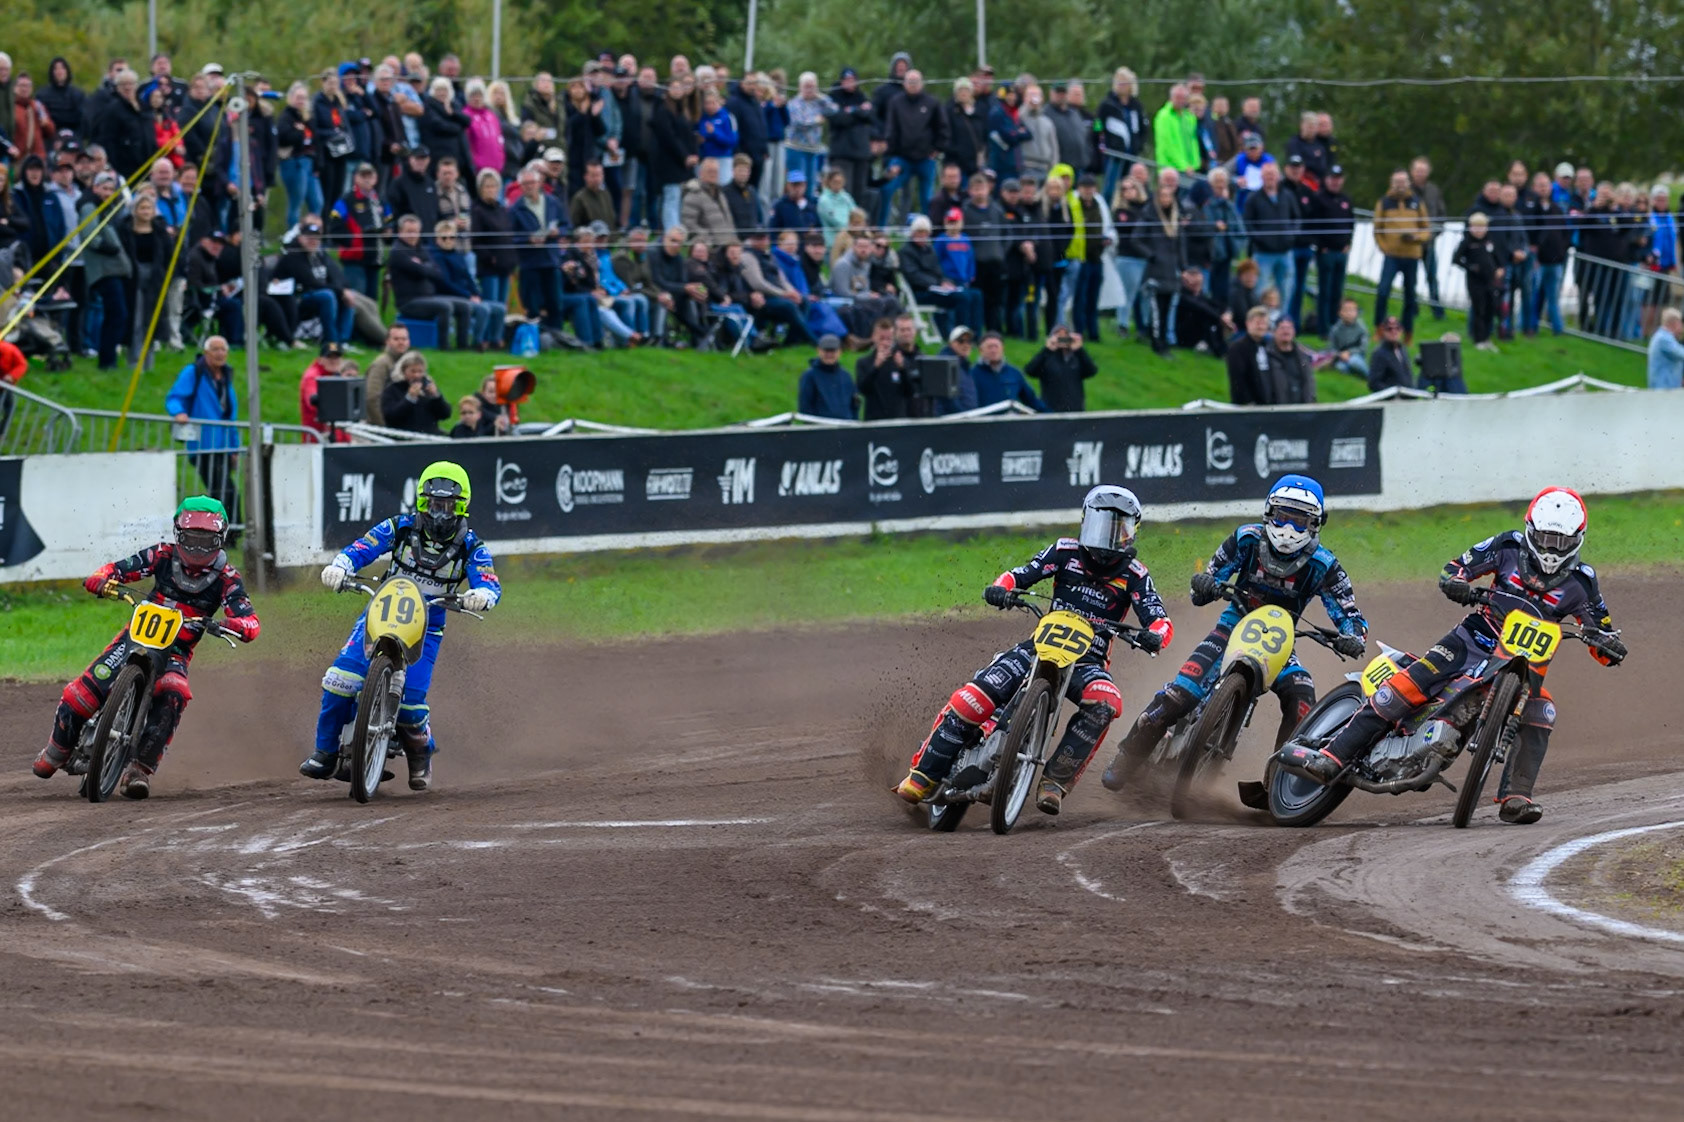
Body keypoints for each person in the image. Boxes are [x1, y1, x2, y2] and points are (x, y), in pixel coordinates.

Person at [1283, 488, 1625, 825]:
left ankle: (1516, 797)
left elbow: (1602, 635)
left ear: (1577, 540)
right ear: (1530, 529)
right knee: (1410, 683)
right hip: (1472, 638)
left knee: (1543, 710)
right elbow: (1454, 569)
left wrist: (1608, 645)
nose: (1551, 548)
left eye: (1561, 542)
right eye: (1546, 537)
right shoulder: (1507, 547)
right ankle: (1333, 755)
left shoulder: (1583, 582)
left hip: (1525, 668)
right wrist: (1459, 584)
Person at [898, 486, 1173, 813]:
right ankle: (924, 775)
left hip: (1088, 662)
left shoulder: (1135, 576)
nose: (1108, 536)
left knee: (1106, 702)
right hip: (1038, 648)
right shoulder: (1064, 551)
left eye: (1118, 527)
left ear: (1132, 531)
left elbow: (1160, 620)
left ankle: (1054, 781)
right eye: (1102, 523)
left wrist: (1153, 636)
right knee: (972, 698)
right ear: (1086, 520)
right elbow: (1019, 575)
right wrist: (1002, 590)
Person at [1101, 476, 1367, 790]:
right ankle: (1128, 756)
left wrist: (1353, 637)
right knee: (1180, 694)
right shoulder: (1246, 538)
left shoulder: (1324, 564)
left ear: (1315, 524)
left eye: (1299, 521)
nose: (1289, 528)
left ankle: (1281, 783)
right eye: (1283, 516)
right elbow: (1208, 579)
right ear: (1269, 512)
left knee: (1302, 697)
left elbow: (1348, 612)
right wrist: (1205, 585)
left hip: (1280, 643)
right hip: (1231, 626)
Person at [31, 497, 260, 797]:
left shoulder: (228, 578)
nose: (197, 547)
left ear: (219, 539)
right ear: (179, 534)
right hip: (134, 638)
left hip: (176, 651)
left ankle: (140, 769)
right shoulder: (162, 555)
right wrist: (102, 578)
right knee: (80, 694)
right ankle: (57, 750)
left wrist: (235, 626)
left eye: (205, 541)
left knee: (174, 692)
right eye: (191, 539)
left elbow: (249, 619)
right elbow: (121, 569)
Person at [304, 462, 501, 791]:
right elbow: (363, 547)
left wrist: (481, 595)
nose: (441, 514)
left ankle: (421, 752)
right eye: (435, 505)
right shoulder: (400, 527)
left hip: (429, 623)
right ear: (423, 503)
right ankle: (324, 752)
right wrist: (341, 564)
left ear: (462, 506)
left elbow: (489, 582)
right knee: (340, 680)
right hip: (380, 610)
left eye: (449, 506)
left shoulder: (473, 547)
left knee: (411, 707)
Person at [165, 336, 243, 523]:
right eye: (215, 349)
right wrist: (179, 413)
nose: (220, 353)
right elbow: (174, 397)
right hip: (203, 446)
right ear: (206, 353)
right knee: (224, 491)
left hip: (222, 446)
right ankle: (229, 533)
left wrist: (234, 449)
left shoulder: (226, 377)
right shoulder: (194, 372)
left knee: (223, 490)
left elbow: (230, 418)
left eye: (223, 349)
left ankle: (225, 533)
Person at [274, 217, 356, 346]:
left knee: (349, 294)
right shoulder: (293, 255)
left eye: (316, 238)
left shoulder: (319, 255)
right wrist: (341, 291)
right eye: (309, 237)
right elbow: (311, 283)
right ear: (301, 238)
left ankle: (343, 341)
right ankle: (331, 341)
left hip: (315, 295)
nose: (313, 241)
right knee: (328, 295)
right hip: (295, 300)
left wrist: (344, 290)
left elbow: (337, 275)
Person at [1374, 169, 1430, 341]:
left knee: (1410, 296)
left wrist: (1416, 238)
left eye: (1403, 182)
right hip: (1391, 256)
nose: (1400, 185)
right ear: (1392, 183)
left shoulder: (1416, 202)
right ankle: (1379, 329)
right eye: (1397, 182)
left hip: (1411, 255)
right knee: (1383, 291)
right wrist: (1385, 248)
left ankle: (1408, 333)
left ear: (1408, 183)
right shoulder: (1384, 202)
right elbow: (1377, 229)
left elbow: (1426, 229)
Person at [1454, 211, 1503, 352]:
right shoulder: (1467, 242)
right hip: (1475, 281)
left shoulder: (1489, 241)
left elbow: (1496, 257)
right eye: (1476, 227)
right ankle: (1478, 339)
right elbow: (1456, 259)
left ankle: (1487, 338)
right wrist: (1470, 267)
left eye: (1482, 227)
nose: (1479, 230)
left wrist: (1499, 268)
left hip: (1490, 280)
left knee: (1490, 309)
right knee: (1479, 309)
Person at [1024, 325, 1097, 412]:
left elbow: (1092, 370)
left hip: (1075, 410)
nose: (1062, 338)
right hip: (1050, 411)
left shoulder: (1077, 357)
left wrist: (1079, 350)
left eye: (1065, 334)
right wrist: (1046, 350)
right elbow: (1030, 370)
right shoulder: (1047, 357)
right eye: (1058, 335)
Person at [855, 317, 916, 419]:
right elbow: (863, 390)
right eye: (881, 338)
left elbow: (910, 392)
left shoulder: (901, 361)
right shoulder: (864, 362)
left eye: (888, 339)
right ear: (874, 337)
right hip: (874, 421)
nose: (885, 343)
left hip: (898, 421)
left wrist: (902, 369)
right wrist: (876, 367)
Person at [1409, 157, 1447, 320]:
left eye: (1423, 170)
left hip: (1429, 243)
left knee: (1432, 277)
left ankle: (1437, 311)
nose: (1420, 173)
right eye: (1417, 170)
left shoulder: (1434, 190)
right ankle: (1412, 309)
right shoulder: (1405, 190)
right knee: (1411, 278)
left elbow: (1441, 214)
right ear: (1412, 171)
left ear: (1428, 172)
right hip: (1409, 244)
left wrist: (1434, 233)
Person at [970, 331, 1046, 411]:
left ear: (1003, 348)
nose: (993, 350)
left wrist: (1052, 417)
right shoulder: (972, 374)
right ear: (980, 350)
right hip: (983, 421)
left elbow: (1032, 400)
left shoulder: (1014, 373)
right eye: (989, 347)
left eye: (996, 346)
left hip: (1010, 421)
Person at [380, 349, 449, 435]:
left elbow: (445, 414)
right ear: (404, 371)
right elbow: (390, 416)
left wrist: (436, 396)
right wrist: (409, 399)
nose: (416, 375)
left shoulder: (428, 387)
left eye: (420, 371)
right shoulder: (392, 389)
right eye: (413, 371)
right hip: (403, 439)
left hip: (429, 438)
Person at [1171, 267, 1235, 357]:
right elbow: (1202, 308)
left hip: (1194, 333)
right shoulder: (1182, 295)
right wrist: (1221, 319)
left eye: (1199, 283)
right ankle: (1219, 351)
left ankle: (1222, 349)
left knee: (1213, 315)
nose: (1197, 285)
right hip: (1182, 335)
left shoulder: (1199, 294)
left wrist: (1227, 313)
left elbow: (1218, 305)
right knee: (1206, 316)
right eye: (1195, 283)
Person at [299, 340, 354, 442]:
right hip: (318, 440)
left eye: (336, 357)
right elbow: (313, 404)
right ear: (320, 359)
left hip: (336, 437)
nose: (333, 361)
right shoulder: (312, 377)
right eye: (329, 357)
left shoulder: (337, 375)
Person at [797, 334, 858, 420]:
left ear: (840, 351)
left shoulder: (846, 376)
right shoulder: (809, 376)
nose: (829, 354)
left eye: (833, 351)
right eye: (826, 351)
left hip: (846, 427)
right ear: (818, 350)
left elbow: (854, 405)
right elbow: (805, 407)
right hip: (821, 428)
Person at [361, 324, 409, 427]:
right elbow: (372, 398)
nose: (401, 342)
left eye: (404, 339)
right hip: (383, 426)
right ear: (387, 341)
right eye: (396, 339)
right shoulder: (381, 364)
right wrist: (383, 427)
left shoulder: (408, 363)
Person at [1324, 298, 1369, 379]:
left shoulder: (1361, 328)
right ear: (1340, 313)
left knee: (1354, 362)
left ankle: (1369, 376)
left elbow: (1363, 348)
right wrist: (1339, 355)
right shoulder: (1336, 329)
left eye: (1352, 310)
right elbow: (1331, 347)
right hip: (1341, 358)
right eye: (1346, 310)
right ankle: (1354, 375)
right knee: (1340, 367)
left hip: (1356, 355)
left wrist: (1349, 352)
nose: (1349, 313)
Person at [1648, 308, 1684, 389]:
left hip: (1666, 388)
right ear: (1675, 323)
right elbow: (1681, 353)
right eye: (1681, 323)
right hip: (1663, 389)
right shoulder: (1664, 339)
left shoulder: (1663, 337)